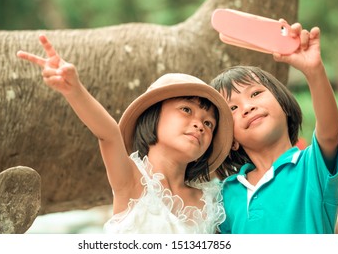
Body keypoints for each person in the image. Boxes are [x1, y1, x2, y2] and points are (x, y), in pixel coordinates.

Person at [16, 35, 234, 234]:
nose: (199, 125)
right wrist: (74, 90)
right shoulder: (131, 180)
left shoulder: (211, 200)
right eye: (186, 110)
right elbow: (108, 134)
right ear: (153, 116)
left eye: (209, 123)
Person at [210, 22, 338, 233]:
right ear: (231, 140)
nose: (248, 107)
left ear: (285, 106)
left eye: (255, 94)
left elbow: (330, 133)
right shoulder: (224, 194)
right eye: (233, 108)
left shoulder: (311, 167)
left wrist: (314, 71)